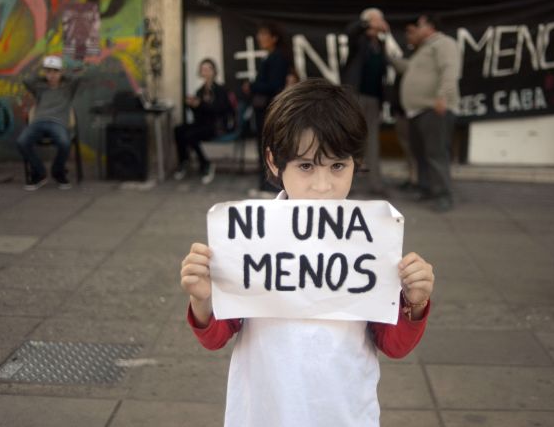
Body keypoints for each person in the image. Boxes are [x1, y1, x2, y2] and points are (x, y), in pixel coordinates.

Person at [180, 79, 434, 426]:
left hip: (345, 412)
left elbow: (394, 345)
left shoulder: (369, 241)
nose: (322, 186)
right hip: (264, 413)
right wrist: (204, 301)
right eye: (305, 166)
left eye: (337, 167)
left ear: (355, 162)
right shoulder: (251, 239)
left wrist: (414, 304)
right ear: (273, 162)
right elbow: (216, 337)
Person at [388, 13, 460, 212]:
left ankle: (444, 195)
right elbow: (409, 69)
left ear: (430, 27)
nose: (415, 30)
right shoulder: (424, 49)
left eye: (419, 26)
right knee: (422, 154)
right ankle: (427, 188)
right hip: (417, 111)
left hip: (434, 108)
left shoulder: (443, 44)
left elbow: (450, 70)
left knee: (437, 154)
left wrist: (443, 97)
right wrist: (392, 58)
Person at [341, 8, 390, 196]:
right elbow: (350, 30)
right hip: (356, 95)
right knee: (350, 140)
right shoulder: (358, 40)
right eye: (375, 21)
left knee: (373, 141)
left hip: (374, 97)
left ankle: (376, 184)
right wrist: (367, 24)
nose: (379, 25)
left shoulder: (380, 44)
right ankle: (346, 185)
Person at [18, 55, 83, 191]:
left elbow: (77, 78)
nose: (52, 75)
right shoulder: (40, 88)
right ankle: (40, 173)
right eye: (48, 71)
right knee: (22, 142)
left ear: (61, 72)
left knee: (64, 142)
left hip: (58, 123)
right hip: (38, 122)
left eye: (55, 71)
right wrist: (42, 76)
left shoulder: (67, 88)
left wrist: (63, 76)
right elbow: (26, 80)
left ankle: (57, 172)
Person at [243, 21, 291, 197]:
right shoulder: (271, 56)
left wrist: (253, 86)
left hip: (270, 110)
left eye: (264, 34)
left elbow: (274, 85)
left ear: (274, 38)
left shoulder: (277, 57)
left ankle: (271, 187)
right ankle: (265, 185)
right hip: (264, 109)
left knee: (268, 147)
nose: (260, 38)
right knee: (264, 147)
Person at [173, 58, 233, 185]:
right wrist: (192, 105)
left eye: (208, 69)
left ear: (214, 71)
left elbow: (220, 109)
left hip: (217, 126)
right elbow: (199, 115)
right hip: (203, 124)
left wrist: (201, 104)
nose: (205, 72)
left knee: (190, 135)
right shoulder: (200, 91)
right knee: (179, 130)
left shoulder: (220, 89)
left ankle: (206, 164)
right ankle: (184, 161)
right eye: (203, 69)